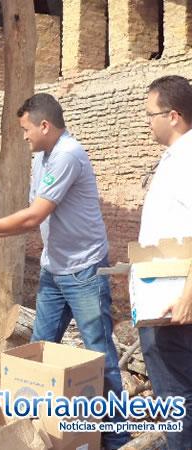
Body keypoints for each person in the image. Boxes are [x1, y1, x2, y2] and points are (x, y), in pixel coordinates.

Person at [0, 93, 130, 449]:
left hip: (84, 269)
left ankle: (117, 438)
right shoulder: (42, 157)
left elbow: (36, 215)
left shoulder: (68, 154)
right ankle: (39, 430)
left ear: (44, 125)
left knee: (100, 353)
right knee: (39, 350)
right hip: (55, 269)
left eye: (26, 129)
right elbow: (32, 216)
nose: (23, 136)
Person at [138, 75, 192, 449]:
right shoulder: (174, 158)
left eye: (151, 114)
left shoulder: (188, 160)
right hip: (163, 298)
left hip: (176, 305)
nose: (148, 121)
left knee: (178, 396)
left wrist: (189, 293)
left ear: (173, 116)